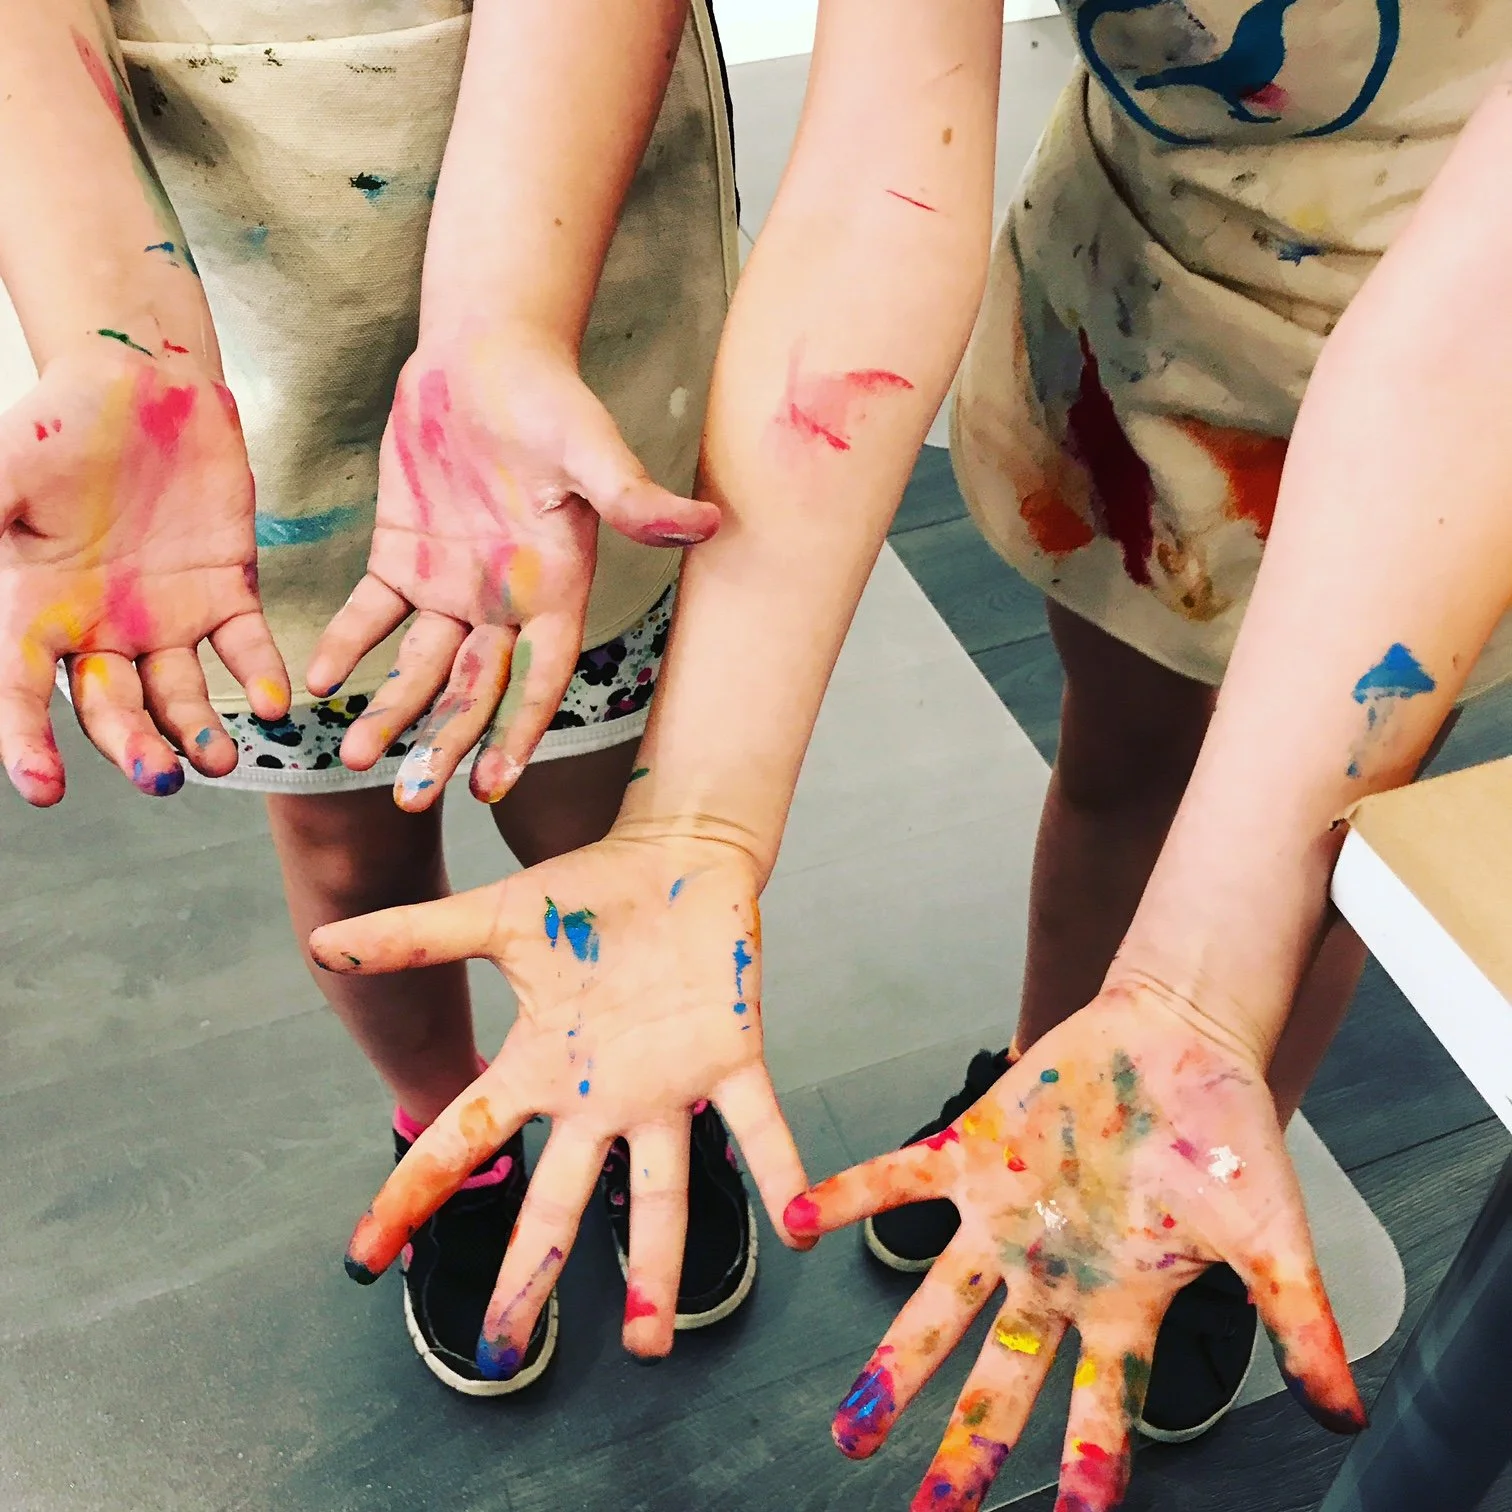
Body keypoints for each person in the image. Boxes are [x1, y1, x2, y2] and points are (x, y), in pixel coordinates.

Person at [305, 2, 1512, 1509]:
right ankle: (1044, 1062)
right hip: (1152, 272)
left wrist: (1200, 995)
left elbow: (1473, 342)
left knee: (1320, 856)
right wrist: (697, 823)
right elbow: (883, 160)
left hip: (1466, 417)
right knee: (1118, 748)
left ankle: (1197, 1143)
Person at [0, 0, 776, 1399]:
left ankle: (634, 1071)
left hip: (577, 285)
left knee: (587, 805)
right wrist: (119, 342)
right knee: (349, 854)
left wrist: (505, 321)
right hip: (230, 354)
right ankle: (446, 1123)